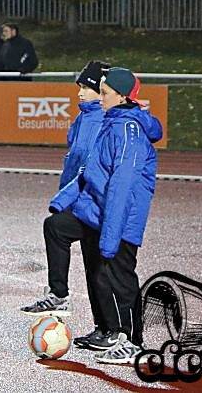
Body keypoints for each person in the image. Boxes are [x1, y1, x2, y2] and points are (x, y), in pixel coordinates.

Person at [52, 67, 163, 365]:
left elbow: (122, 186)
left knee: (121, 277)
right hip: (105, 214)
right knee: (98, 266)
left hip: (123, 218)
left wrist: (111, 235)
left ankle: (133, 342)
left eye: (104, 92)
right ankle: (112, 333)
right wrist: (62, 201)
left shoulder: (128, 130)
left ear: (122, 95)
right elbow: (91, 172)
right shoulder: (113, 122)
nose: (99, 97)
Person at [20, 61, 110, 333]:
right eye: (79, 87)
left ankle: (67, 301)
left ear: (101, 91)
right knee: (91, 264)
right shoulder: (83, 118)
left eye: (86, 88)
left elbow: (91, 169)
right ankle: (101, 327)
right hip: (79, 200)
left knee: (96, 266)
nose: (80, 93)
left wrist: (70, 200)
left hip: (92, 202)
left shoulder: (103, 120)